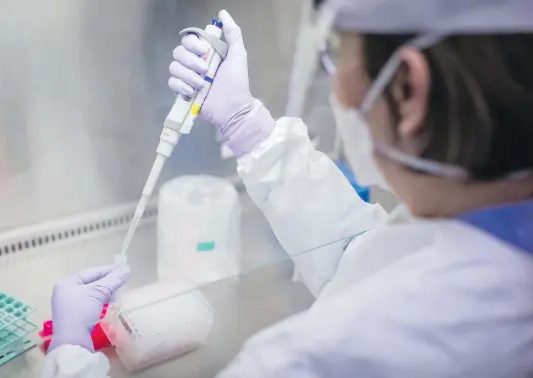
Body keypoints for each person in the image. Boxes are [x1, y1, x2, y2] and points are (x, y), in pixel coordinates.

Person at [42, 1, 533, 377]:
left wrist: (70, 353)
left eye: (337, 55)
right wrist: (246, 125)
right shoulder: (492, 247)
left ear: (407, 91)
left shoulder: (316, 359)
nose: (335, 82)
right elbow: (357, 262)